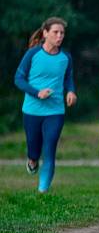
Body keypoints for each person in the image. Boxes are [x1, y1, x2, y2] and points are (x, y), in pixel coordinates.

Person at [14, 17, 77, 193]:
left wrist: (71, 91)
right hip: (32, 110)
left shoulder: (66, 57)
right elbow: (18, 79)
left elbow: (68, 78)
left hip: (55, 111)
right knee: (34, 150)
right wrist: (37, 92)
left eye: (62, 33)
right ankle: (32, 161)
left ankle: (43, 192)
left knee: (49, 149)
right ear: (45, 33)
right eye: (56, 32)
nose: (60, 36)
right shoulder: (32, 54)